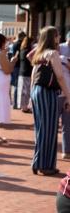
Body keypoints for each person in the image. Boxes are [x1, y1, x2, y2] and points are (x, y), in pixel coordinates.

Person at [31, 26, 70, 175]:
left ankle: (38, 163)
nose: (59, 38)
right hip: (48, 92)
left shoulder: (39, 53)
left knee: (41, 129)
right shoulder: (53, 53)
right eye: (57, 35)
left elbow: (35, 73)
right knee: (49, 130)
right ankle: (45, 165)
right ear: (52, 37)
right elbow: (60, 77)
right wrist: (69, 96)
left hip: (37, 91)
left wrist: (30, 98)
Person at [9, 31, 26, 108]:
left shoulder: (14, 44)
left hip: (15, 65)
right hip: (19, 65)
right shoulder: (20, 44)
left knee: (15, 85)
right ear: (22, 37)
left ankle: (15, 103)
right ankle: (15, 103)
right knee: (17, 85)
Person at [18, 36, 33, 113]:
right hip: (27, 72)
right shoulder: (28, 51)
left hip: (21, 72)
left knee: (22, 90)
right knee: (26, 91)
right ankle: (25, 107)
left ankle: (22, 106)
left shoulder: (22, 50)